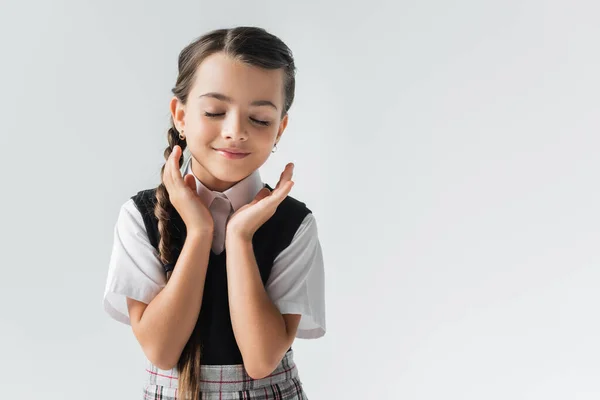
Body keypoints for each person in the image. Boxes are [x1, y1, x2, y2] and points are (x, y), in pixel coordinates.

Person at [102, 26, 326, 400]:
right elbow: (161, 350)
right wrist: (199, 231)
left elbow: (261, 360)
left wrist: (239, 237)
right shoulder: (139, 216)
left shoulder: (293, 225)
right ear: (181, 115)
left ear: (280, 129)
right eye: (214, 111)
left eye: (259, 119)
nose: (235, 131)